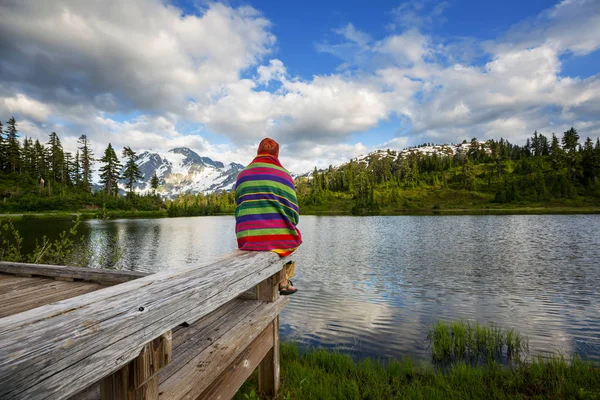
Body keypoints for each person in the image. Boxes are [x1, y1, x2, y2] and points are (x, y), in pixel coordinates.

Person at [234, 138, 301, 295]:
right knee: (288, 239)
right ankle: (284, 282)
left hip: (247, 238)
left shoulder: (242, 175)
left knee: (271, 239)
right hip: (277, 239)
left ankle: (282, 281)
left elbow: (238, 208)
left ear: (258, 152)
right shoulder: (284, 175)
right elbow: (293, 213)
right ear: (277, 154)